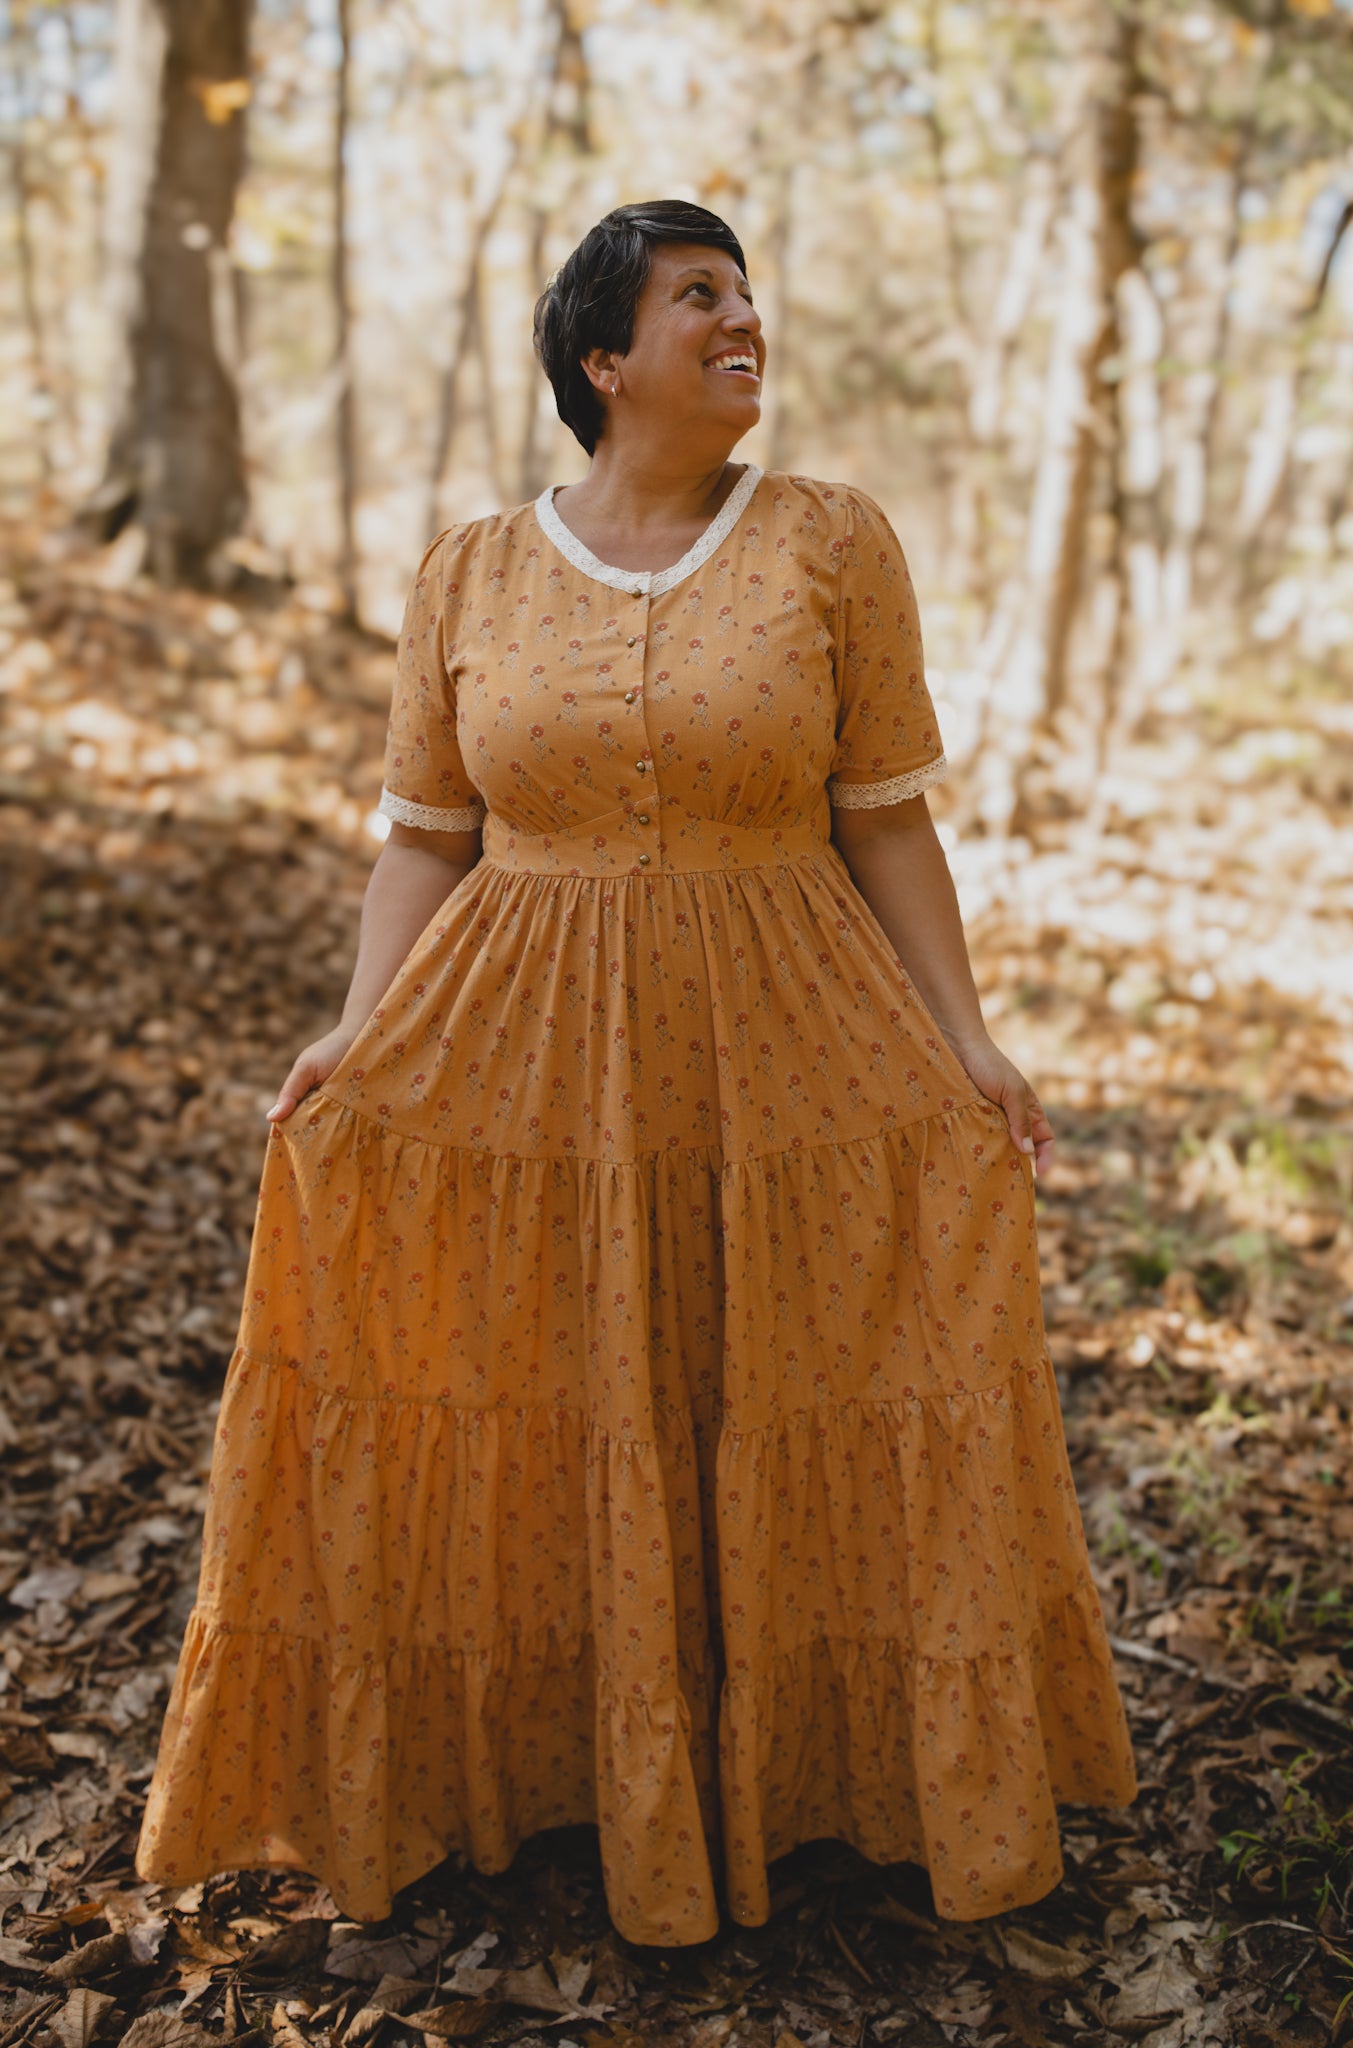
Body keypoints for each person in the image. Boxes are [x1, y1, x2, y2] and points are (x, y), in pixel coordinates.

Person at [135, 199, 1137, 1945]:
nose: (742, 319)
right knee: (551, 1391)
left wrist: (964, 1039)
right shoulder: (469, 569)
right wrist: (364, 1035)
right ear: (605, 359)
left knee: (787, 1380)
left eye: (747, 293)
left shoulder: (834, 538)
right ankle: (547, 1782)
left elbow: (887, 818)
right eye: (698, 298)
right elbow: (421, 842)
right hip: (525, 1062)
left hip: (791, 1048)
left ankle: (816, 1781)